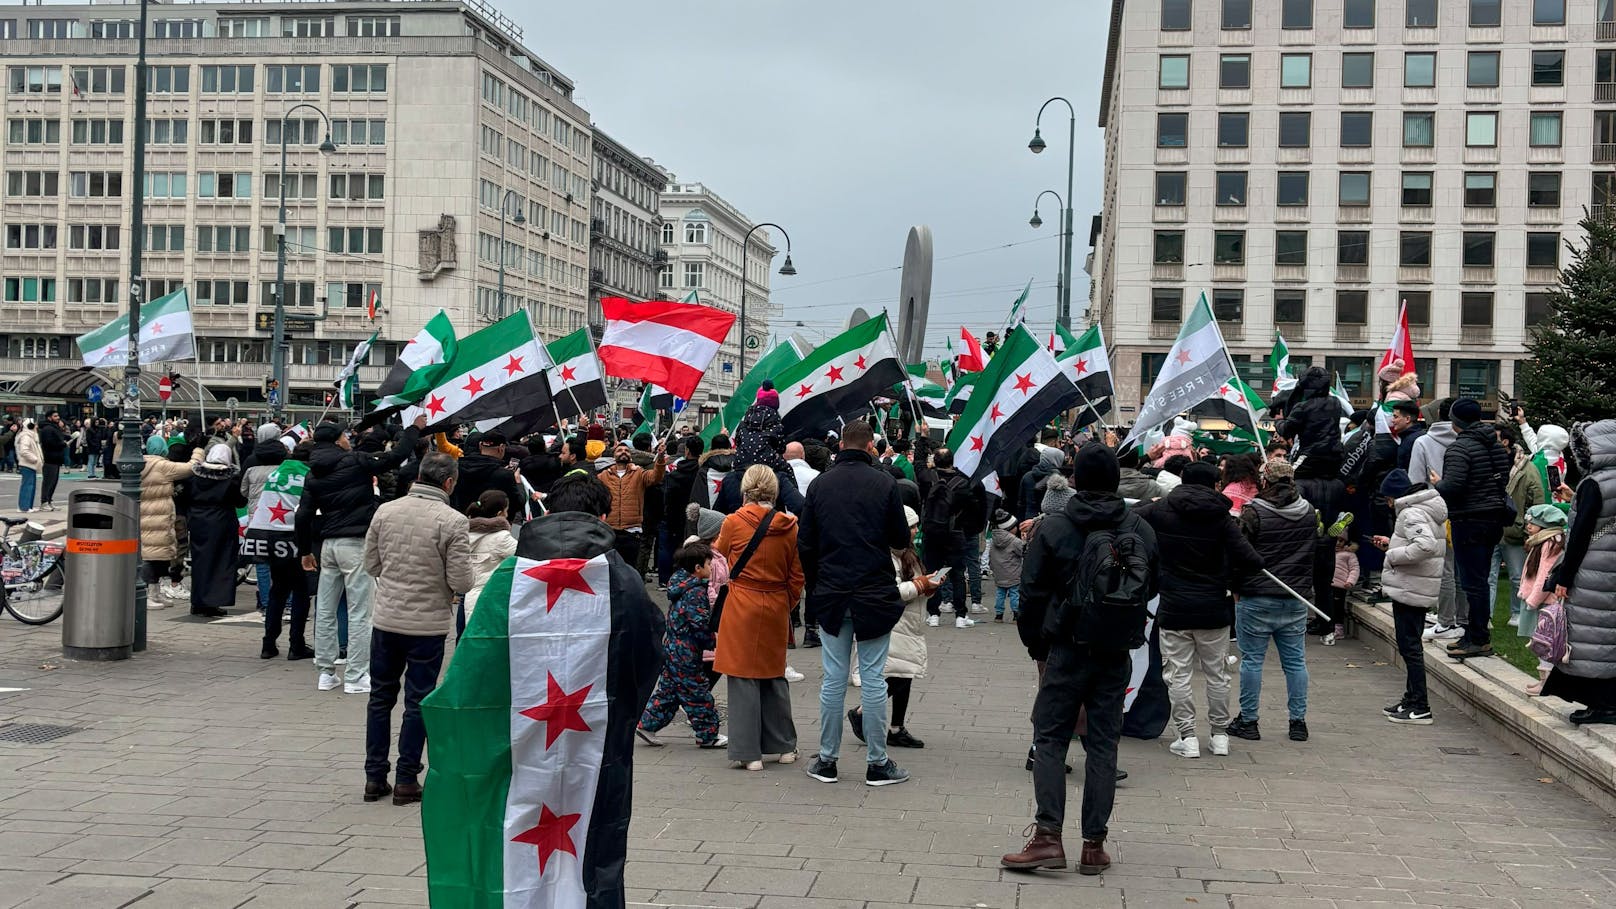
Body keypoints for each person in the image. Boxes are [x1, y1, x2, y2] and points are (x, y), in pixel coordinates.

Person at [1004, 443, 1158, 875]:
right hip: (1115, 651)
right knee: (1103, 744)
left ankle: (1048, 836)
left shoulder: (1055, 527)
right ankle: (1095, 845)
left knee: (1051, 738)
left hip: (1066, 647)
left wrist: (1037, 644)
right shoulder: (1139, 529)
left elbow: (1030, 592)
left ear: (1076, 480)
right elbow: (1152, 582)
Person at [798, 420, 914, 787]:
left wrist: (817, 585)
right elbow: (899, 537)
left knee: (833, 678)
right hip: (873, 592)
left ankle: (827, 760)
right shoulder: (884, 484)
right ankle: (877, 763)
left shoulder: (820, 484)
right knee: (874, 678)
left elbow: (806, 543)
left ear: (841, 444)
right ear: (870, 447)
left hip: (832, 592)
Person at [361, 451, 473, 804]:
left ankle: (374, 775)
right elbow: (462, 581)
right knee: (418, 700)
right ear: (449, 482)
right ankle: (407, 777)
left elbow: (371, 563)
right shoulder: (452, 521)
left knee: (380, 698)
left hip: (387, 619)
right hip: (427, 625)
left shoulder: (386, 510)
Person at [1136, 461, 1264, 756]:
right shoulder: (1221, 518)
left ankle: (1187, 736)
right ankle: (1220, 735)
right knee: (1217, 674)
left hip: (1174, 606)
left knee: (1178, 674)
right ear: (1215, 484)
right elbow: (1252, 560)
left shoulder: (1161, 510)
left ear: (1183, 479)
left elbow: (1131, 517)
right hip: (1214, 607)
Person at [297, 416, 426, 695]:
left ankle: (326, 672)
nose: (348, 439)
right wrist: (415, 428)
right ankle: (356, 675)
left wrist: (305, 550)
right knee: (360, 611)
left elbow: (303, 514)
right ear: (336, 440)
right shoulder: (356, 461)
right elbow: (398, 455)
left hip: (327, 544)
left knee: (325, 610)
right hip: (356, 542)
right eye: (344, 436)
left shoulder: (313, 472)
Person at [712, 465, 804, 771]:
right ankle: (784, 747)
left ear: (746, 488)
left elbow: (718, 563)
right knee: (774, 673)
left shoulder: (733, 522)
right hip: (776, 601)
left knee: (742, 675)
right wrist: (786, 603)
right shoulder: (790, 525)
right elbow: (797, 574)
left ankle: (748, 752)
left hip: (741, 601)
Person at [1227, 459, 1316, 743]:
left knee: (1252, 660)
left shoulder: (1253, 512)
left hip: (1256, 595)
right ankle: (1298, 721)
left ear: (1264, 481)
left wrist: (1236, 588)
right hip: (1295, 596)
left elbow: (1241, 554)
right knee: (1295, 662)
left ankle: (1249, 720)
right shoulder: (1308, 513)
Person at [1542, 421, 1616, 725]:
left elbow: (1582, 533)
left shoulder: (1594, 484)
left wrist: (1564, 577)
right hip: (1610, 569)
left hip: (1591, 570)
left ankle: (1602, 704)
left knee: (1590, 638)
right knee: (1608, 636)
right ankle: (1606, 702)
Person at [846, 505, 936, 749]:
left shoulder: (908, 553)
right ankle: (862, 712)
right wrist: (921, 585)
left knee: (905, 674)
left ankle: (897, 727)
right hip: (895, 622)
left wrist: (928, 585)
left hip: (909, 623)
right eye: (911, 527)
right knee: (898, 675)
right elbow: (891, 592)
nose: (915, 530)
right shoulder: (887, 556)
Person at [1431, 398, 1512, 659]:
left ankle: (1478, 637)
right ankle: (1474, 633)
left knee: (1472, 582)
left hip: (1469, 519)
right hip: (1493, 519)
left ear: (1455, 422)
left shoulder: (1459, 449)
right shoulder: (1496, 446)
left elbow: (1453, 486)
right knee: (1480, 579)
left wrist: (1438, 483)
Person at [1373, 468, 1446, 725]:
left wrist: (1392, 555)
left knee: (1409, 646)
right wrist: (1391, 544)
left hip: (1411, 586)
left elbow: (1424, 546)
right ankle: (1411, 698)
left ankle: (1420, 705)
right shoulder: (1425, 507)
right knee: (1410, 643)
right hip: (1417, 584)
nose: (1387, 504)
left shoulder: (1411, 512)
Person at [636, 541, 726, 749]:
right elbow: (699, 623)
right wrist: (711, 640)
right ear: (697, 568)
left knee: (668, 691)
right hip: (686, 652)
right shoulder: (695, 591)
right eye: (709, 565)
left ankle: (647, 725)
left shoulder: (681, 585)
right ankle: (708, 734)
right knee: (697, 693)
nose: (711, 568)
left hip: (673, 648)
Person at [921, 448, 987, 628]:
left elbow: (918, 465)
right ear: (952, 461)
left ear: (935, 460)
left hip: (932, 533)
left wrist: (923, 439)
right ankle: (960, 615)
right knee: (957, 574)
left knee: (932, 572)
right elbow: (974, 509)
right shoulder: (963, 483)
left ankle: (933, 614)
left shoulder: (927, 478)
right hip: (954, 533)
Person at [186, 444, 248, 618]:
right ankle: (213, 601)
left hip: (198, 520)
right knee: (221, 561)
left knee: (199, 561)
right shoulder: (230, 478)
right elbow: (240, 501)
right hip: (222, 520)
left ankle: (197, 601)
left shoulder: (195, 476)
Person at [141, 439, 203, 602]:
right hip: (161, 514)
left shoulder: (140, 464)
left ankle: (154, 591)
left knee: (151, 553)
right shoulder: (162, 466)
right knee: (156, 555)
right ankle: (150, 594)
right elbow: (191, 468)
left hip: (146, 513)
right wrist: (198, 450)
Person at [1518, 504, 1567, 694]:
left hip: (1542, 602)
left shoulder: (1550, 543)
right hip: (1536, 599)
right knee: (1540, 642)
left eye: (1533, 523)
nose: (1528, 526)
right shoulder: (1543, 541)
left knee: (1544, 643)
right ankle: (1544, 681)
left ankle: (1547, 683)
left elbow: (1544, 575)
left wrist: (1533, 600)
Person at [597, 442, 666, 568]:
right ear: (614, 456)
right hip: (610, 530)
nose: (623, 452)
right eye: (619, 450)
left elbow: (656, 476)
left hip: (632, 531)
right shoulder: (603, 476)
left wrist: (660, 459)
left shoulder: (639, 473)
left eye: (626, 450)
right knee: (610, 569)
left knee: (629, 569)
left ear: (631, 456)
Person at [464, 490, 517, 628]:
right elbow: (523, 557)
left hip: (468, 598)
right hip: (492, 599)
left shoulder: (464, 534)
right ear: (500, 514)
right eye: (506, 511)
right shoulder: (501, 538)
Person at [449, 431, 524, 522]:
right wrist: (518, 483)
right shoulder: (504, 475)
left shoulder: (457, 467)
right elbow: (518, 503)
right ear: (501, 448)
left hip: (461, 522)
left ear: (480, 445)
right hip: (492, 527)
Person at [990, 509, 1024, 623]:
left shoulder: (994, 540)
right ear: (1011, 528)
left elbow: (991, 555)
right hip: (1013, 573)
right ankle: (1016, 614)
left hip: (999, 573)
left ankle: (998, 615)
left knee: (1000, 594)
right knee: (1015, 594)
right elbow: (1023, 552)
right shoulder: (1015, 541)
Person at [36, 413, 67, 511]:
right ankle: (44, 502)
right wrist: (62, 444)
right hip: (50, 458)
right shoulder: (47, 429)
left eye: (58, 416)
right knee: (48, 481)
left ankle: (49, 501)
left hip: (56, 458)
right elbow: (49, 443)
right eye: (55, 416)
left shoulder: (54, 428)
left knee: (53, 481)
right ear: (49, 418)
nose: (58, 418)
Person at [14, 420, 41, 513]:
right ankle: (24, 507)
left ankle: (28, 506)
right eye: (35, 424)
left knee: (31, 486)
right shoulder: (26, 436)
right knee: (27, 486)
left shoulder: (30, 436)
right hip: (27, 463)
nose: (36, 426)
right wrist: (34, 459)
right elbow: (24, 451)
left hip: (30, 464)